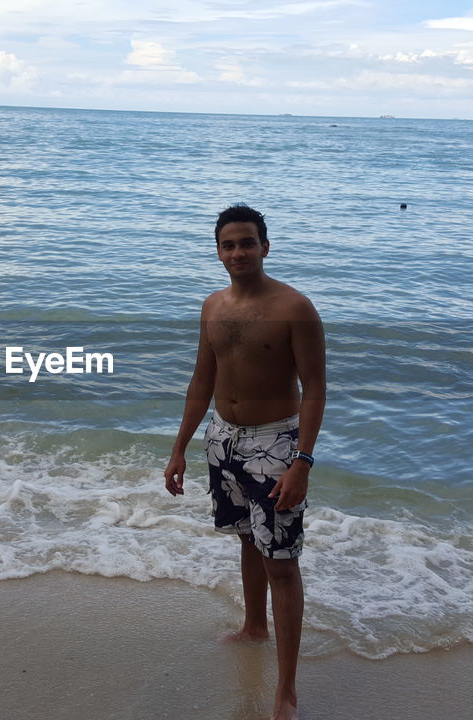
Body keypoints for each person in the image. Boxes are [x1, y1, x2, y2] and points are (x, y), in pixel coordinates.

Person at [163, 204, 326, 720]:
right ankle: (254, 626)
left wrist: (302, 461)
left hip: (275, 444)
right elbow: (201, 382)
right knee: (246, 540)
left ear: (265, 246)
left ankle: (288, 690)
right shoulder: (212, 306)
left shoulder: (295, 308)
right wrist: (179, 448)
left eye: (247, 243)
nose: (238, 253)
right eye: (228, 244)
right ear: (218, 251)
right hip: (223, 440)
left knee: (281, 561)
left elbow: (317, 390)